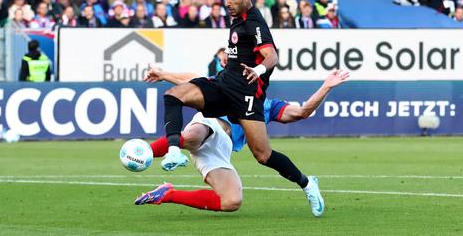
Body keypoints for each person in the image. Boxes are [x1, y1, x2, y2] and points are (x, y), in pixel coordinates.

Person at [159, 0, 325, 217]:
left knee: (263, 155)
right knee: (173, 95)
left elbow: (272, 57)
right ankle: (174, 150)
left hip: (246, 96)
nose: (227, 2)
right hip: (224, 85)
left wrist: (256, 71)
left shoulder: (255, 23)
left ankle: (307, 184)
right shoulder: (236, 17)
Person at [136, 64, 349, 214]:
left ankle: (167, 194)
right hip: (209, 124)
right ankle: (142, 153)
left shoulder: (267, 106)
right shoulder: (225, 84)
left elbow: (302, 112)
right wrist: (164, 74)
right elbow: (190, 80)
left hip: (223, 147)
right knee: (193, 135)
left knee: (231, 201)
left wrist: (326, 86)